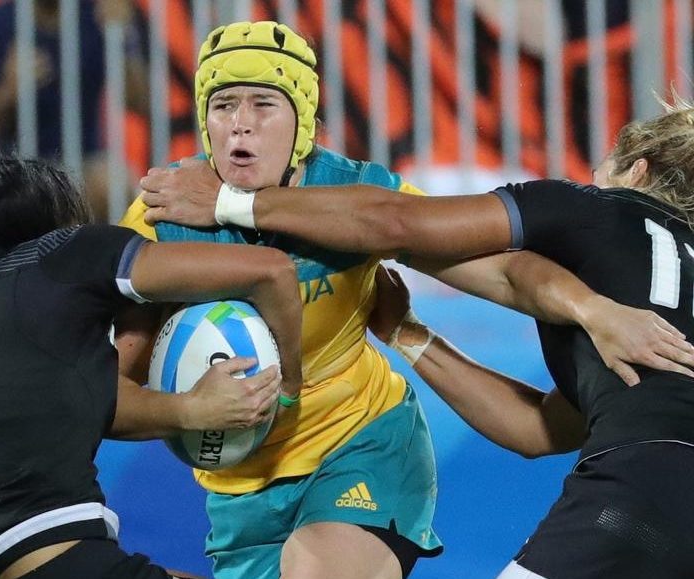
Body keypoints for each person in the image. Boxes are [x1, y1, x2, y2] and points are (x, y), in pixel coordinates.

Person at [121, 21, 694, 579]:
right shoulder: (162, 215)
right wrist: (410, 336)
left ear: (304, 122)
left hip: (361, 446)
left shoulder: (363, 196)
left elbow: (469, 254)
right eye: (223, 106)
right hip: (239, 481)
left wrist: (594, 309)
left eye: (263, 104)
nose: (240, 124)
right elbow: (542, 429)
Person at [0, 132, 302, 579]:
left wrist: (190, 409)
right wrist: (289, 391)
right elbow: (271, 272)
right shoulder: (63, 253)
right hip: (62, 555)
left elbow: (91, 403)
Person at [0, 0, 150, 222]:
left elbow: (140, 102)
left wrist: (123, 37)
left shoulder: (96, 15)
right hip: (15, 169)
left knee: (114, 185)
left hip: (83, 167)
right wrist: (8, 90)